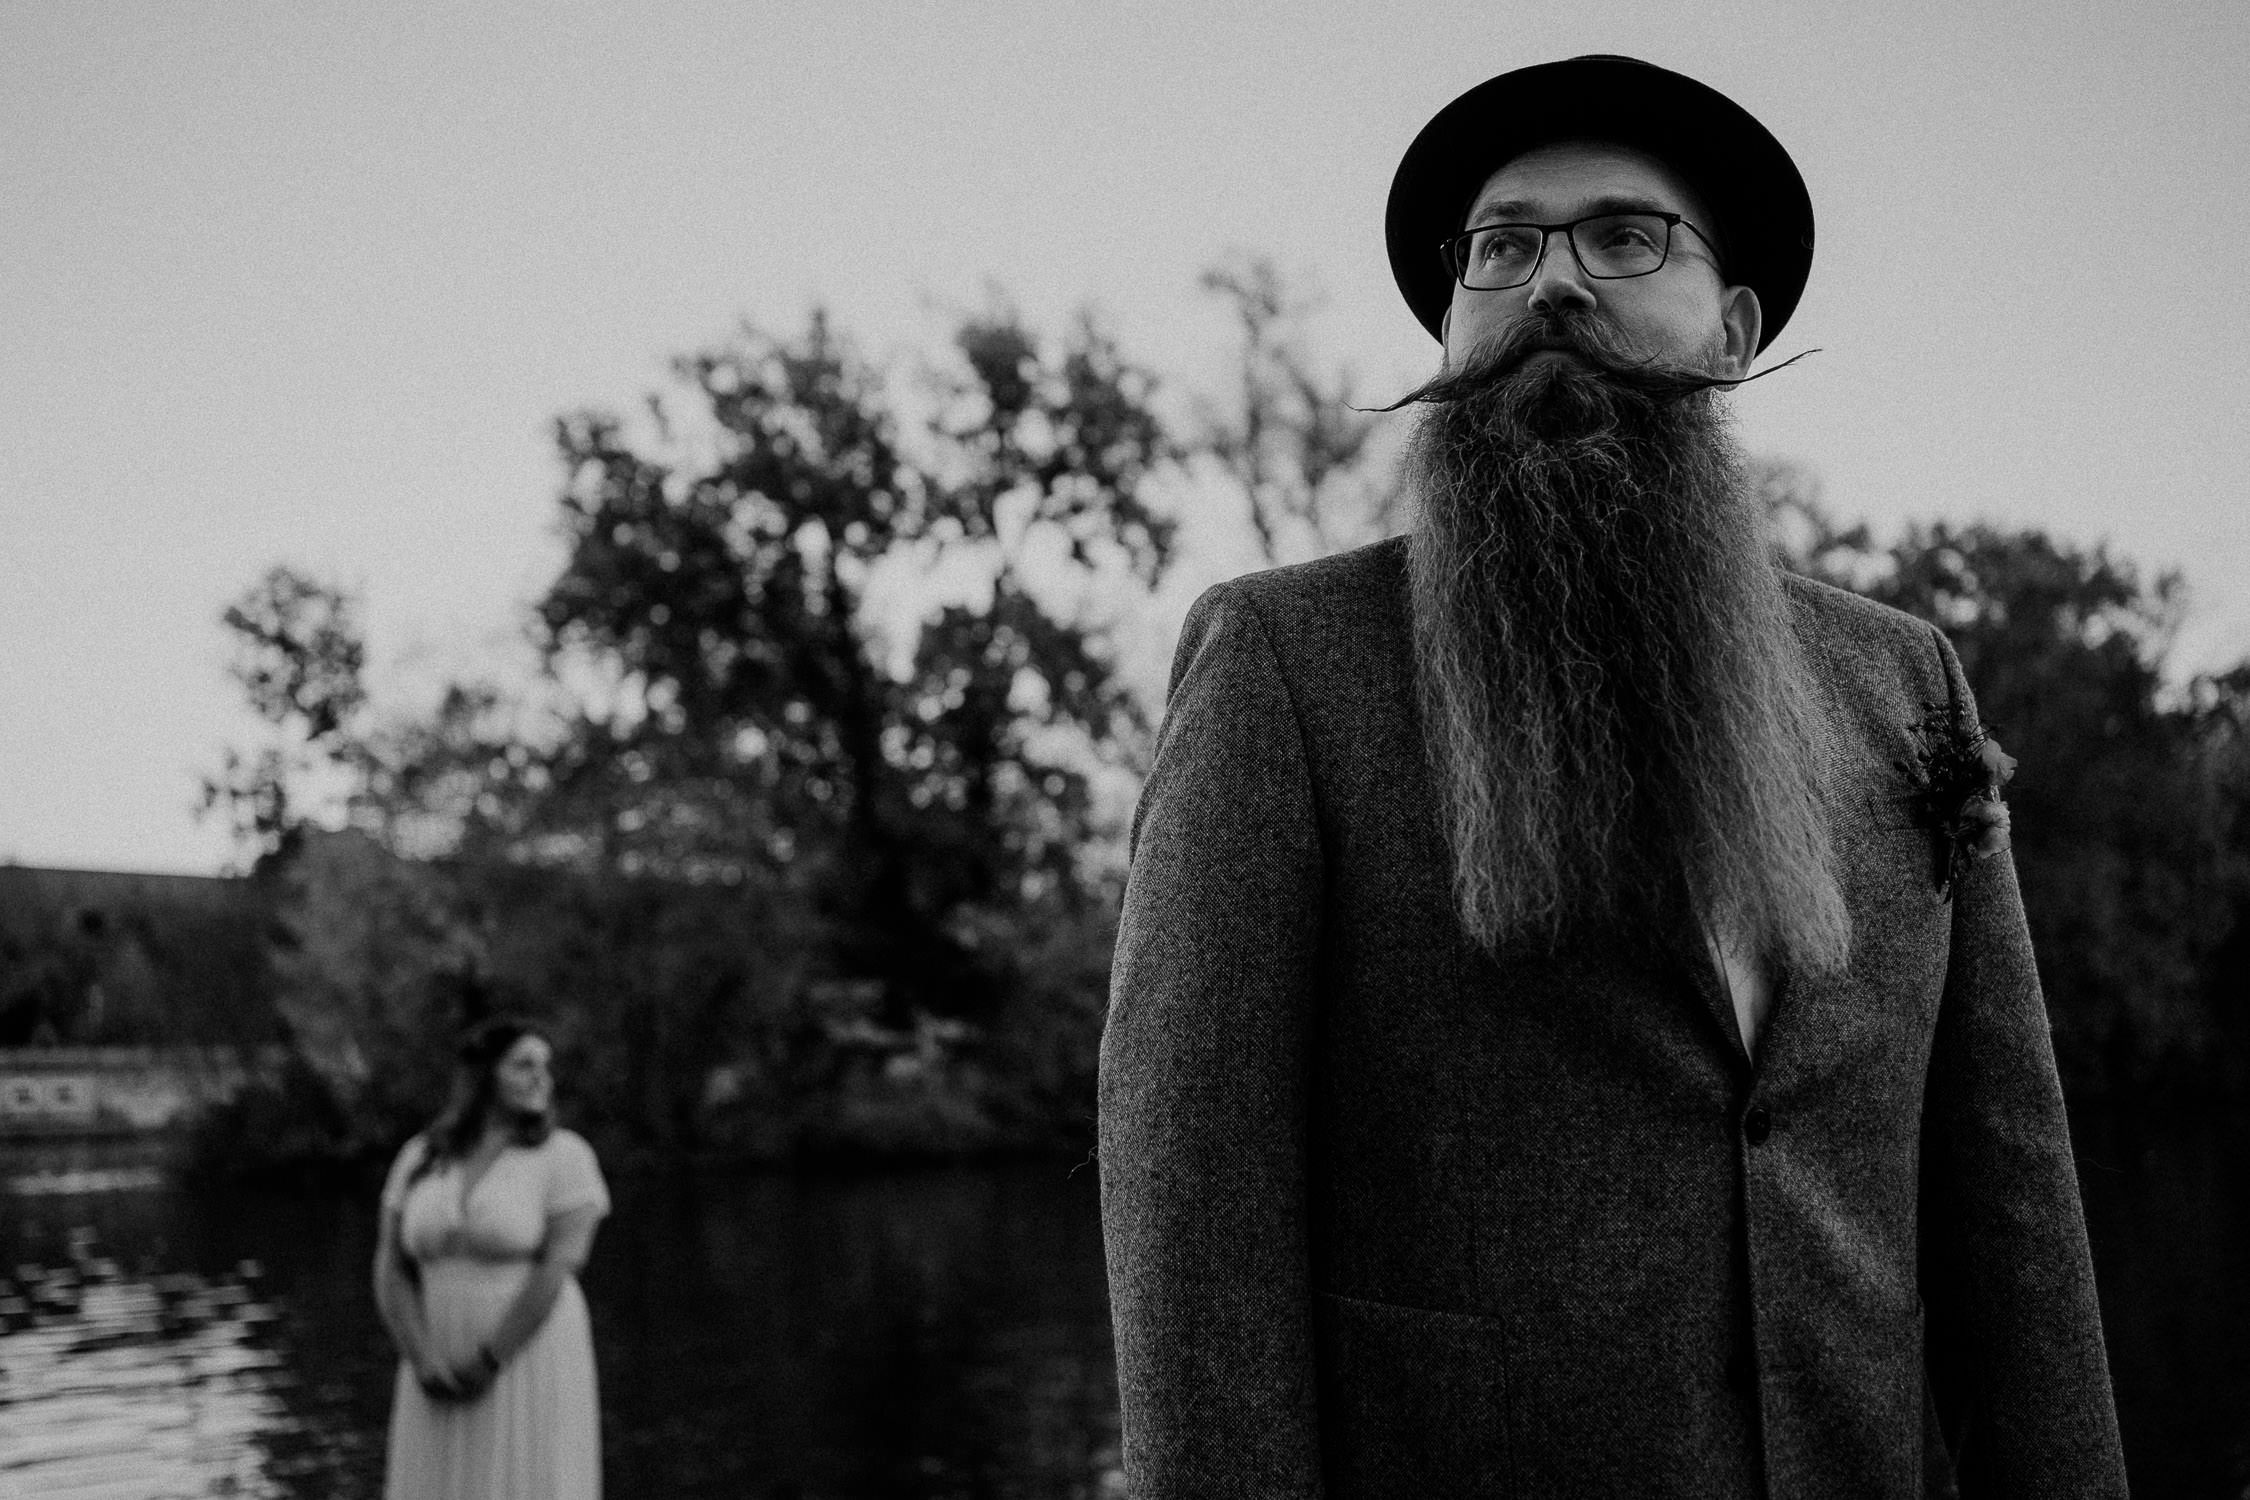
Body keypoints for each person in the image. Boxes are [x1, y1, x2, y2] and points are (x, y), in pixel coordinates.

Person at [1097, 54, 2128, 1498]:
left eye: (1623, 236)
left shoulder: (1902, 684)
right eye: (1501, 247)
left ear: (1731, 327)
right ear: (1456, 324)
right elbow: (1190, 1207)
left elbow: (2007, 1193)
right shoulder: (1283, 665)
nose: (1551, 285)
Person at [375, 1016, 611, 1500]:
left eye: (545, 1066)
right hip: (433, 1351)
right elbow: (391, 1265)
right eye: (524, 1064)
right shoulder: (420, 1157)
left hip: (528, 1349)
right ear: (484, 1075)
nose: (541, 1077)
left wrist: (490, 1360)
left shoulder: (564, 1156)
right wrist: (420, 1357)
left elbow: (558, 1267)